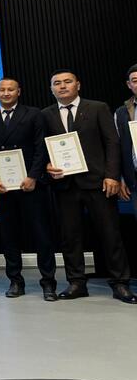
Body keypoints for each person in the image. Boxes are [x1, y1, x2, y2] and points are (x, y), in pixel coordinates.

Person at [43, 70, 136, 303]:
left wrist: (112, 175)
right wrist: (46, 165)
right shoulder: (45, 115)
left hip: (99, 182)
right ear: (51, 89)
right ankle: (76, 282)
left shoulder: (97, 108)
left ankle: (120, 283)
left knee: (110, 234)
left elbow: (112, 142)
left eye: (67, 81)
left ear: (78, 84)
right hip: (64, 185)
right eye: (57, 83)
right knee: (70, 237)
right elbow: (42, 148)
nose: (62, 86)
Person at [0, 79, 57, 301]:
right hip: (4, 188)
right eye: (2, 90)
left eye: (10, 89)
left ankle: (48, 283)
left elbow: (41, 147)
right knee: (9, 236)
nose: (6, 93)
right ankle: (15, 281)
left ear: (19, 92)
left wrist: (33, 175)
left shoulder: (34, 114)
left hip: (31, 185)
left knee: (41, 235)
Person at [114, 64, 137, 212]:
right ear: (129, 85)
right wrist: (121, 178)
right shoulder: (121, 113)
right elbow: (117, 147)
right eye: (135, 80)